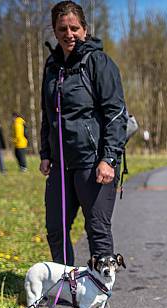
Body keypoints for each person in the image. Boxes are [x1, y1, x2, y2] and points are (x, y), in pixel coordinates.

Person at [39, 0, 128, 266]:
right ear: (55, 32)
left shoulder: (98, 62)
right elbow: (47, 113)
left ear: (85, 29)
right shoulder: (52, 68)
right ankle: (67, 285)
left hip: (94, 164)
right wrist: (45, 152)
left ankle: (100, 293)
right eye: (62, 29)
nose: (69, 34)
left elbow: (116, 113)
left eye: (74, 28)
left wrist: (109, 158)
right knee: (56, 230)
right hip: (61, 166)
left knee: (97, 231)